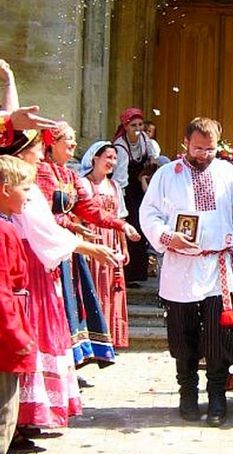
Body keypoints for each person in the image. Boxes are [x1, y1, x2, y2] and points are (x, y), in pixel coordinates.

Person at [140, 117, 233, 427]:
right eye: (197, 148)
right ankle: (187, 393)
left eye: (210, 149)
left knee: (219, 335)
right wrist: (167, 236)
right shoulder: (167, 175)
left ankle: (217, 395)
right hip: (181, 266)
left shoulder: (229, 174)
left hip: (217, 268)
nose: (204, 154)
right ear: (185, 143)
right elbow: (149, 212)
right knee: (183, 333)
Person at [1, 131, 118, 432]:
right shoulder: (20, 183)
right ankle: (23, 417)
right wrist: (90, 247)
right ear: (22, 151)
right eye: (36, 150)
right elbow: (45, 231)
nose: (41, 157)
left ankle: (24, 418)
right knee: (33, 334)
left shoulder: (36, 180)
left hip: (40, 261)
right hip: (30, 265)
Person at [36, 122, 139, 368]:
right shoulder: (41, 172)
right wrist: (70, 225)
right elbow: (40, 212)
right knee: (56, 304)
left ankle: (71, 361)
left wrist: (120, 225)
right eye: (68, 140)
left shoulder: (69, 175)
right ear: (52, 142)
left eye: (73, 140)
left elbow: (89, 209)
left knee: (73, 304)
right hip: (48, 248)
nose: (73, 145)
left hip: (69, 252)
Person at [0, 155, 36, 454]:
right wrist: (18, 335)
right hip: (3, 333)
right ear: (5, 189)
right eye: (25, 188)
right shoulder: (5, 230)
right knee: (3, 405)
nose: (30, 194)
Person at [80, 141, 131, 350]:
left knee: (111, 289)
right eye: (108, 157)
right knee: (94, 287)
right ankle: (92, 340)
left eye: (114, 158)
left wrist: (124, 247)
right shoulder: (84, 184)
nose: (112, 162)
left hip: (112, 242)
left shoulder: (114, 186)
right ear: (95, 158)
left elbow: (120, 219)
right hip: (92, 241)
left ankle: (108, 340)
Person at [113, 108, 159, 286]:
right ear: (125, 127)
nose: (138, 128)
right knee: (131, 227)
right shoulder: (120, 147)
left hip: (141, 187)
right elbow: (120, 177)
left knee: (142, 226)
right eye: (133, 125)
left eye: (140, 124)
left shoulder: (144, 140)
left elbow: (152, 157)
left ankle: (139, 273)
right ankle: (128, 274)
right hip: (127, 191)